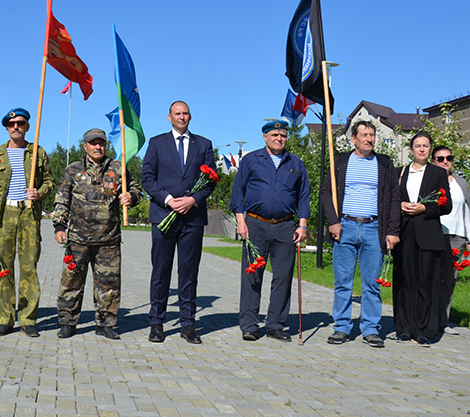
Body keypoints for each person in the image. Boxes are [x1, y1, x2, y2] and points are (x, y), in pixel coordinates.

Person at [53, 128, 142, 340]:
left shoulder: (119, 168)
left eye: (101, 142)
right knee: (71, 282)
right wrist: (59, 227)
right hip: (77, 239)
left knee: (108, 285)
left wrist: (132, 197)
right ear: (85, 146)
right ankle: (68, 322)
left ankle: (106, 323)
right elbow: (62, 199)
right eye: (93, 143)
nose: (97, 146)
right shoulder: (72, 170)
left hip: (108, 240)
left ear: (106, 145)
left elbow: (137, 189)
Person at [142, 100, 216, 344]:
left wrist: (193, 200)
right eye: (177, 114)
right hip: (164, 216)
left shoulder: (203, 144)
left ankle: (188, 324)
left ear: (190, 117)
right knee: (161, 272)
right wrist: (169, 199)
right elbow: (147, 179)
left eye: (185, 113)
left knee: (188, 273)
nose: (181, 117)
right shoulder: (156, 143)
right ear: (169, 117)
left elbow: (210, 181)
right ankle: (156, 323)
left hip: (192, 220)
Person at [229, 120, 310, 342]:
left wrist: (302, 224)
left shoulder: (296, 163)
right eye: (274, 134)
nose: (278, 138)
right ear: (265, 137)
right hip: (256, 224)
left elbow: (304, 196)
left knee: (283, 276)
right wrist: (241, 221)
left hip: (286, 226)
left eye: (282, 135)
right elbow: (238, 193)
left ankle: (275, 325)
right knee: (252, 275)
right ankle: (249, 324)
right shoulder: (251, 160)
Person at [322, 121, 400, 348]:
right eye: (364, 135)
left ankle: (370, 329)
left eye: (372, 135)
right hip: (344, 227)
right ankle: (342, 327)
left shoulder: (384, 163)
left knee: (372, 283)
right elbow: (327, 192)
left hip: (374, 229)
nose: (369, 139)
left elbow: (394, 198)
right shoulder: (340, 161)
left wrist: (392, 231)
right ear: (353, 139)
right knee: (343, 282)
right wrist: (333, 222)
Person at [0, 107, 54, 337]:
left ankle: (28, 319)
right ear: (6, 127)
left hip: (29, 215)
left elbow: (50, 182)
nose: (16, 127)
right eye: (12, 124)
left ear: (27, 127)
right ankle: (5, 319)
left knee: (28, 268)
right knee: (3, 268)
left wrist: (39, 192)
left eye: (21, 124)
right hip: (4, 217)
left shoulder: (37, 153)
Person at [393, 132, 451, 346]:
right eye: (417, 146)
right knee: (406, 282)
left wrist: (425, 207)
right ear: (411, 150)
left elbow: (446, 204)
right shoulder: (400, 172)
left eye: (426, 146)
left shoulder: (438, 173)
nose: (421, 149)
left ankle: (425, 329)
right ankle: (405, 327)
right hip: (405, 233)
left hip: (428, 233)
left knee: (426, 283)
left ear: (430, 149)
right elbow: (390, 200)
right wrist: (400, 205)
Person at [432, 145, 470, 336]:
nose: (445, 161)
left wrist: (468, 237)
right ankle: (427, 319)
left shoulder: (460, 182)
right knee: (430, 277)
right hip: (434, 235)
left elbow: (468, 210)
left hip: (457, 237)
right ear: (433, 161)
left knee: (448, 280)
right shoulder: (430, 181)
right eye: (440, 158)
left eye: (448, 157)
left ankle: (443, 321)